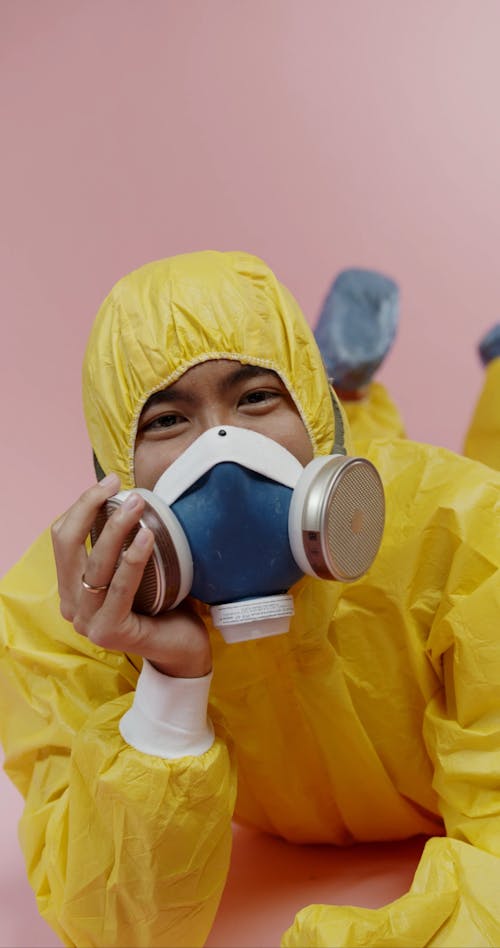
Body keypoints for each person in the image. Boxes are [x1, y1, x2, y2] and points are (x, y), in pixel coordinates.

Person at [1, 250, 500, 948]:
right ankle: (339, 382)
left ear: (313, 425)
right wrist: (168, 688)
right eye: (168, 421)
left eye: (258, 398)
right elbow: (114, 927)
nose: (224, 457)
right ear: (117, 473)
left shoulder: (463, 534)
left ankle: (359, 389)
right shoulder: (59, 618)